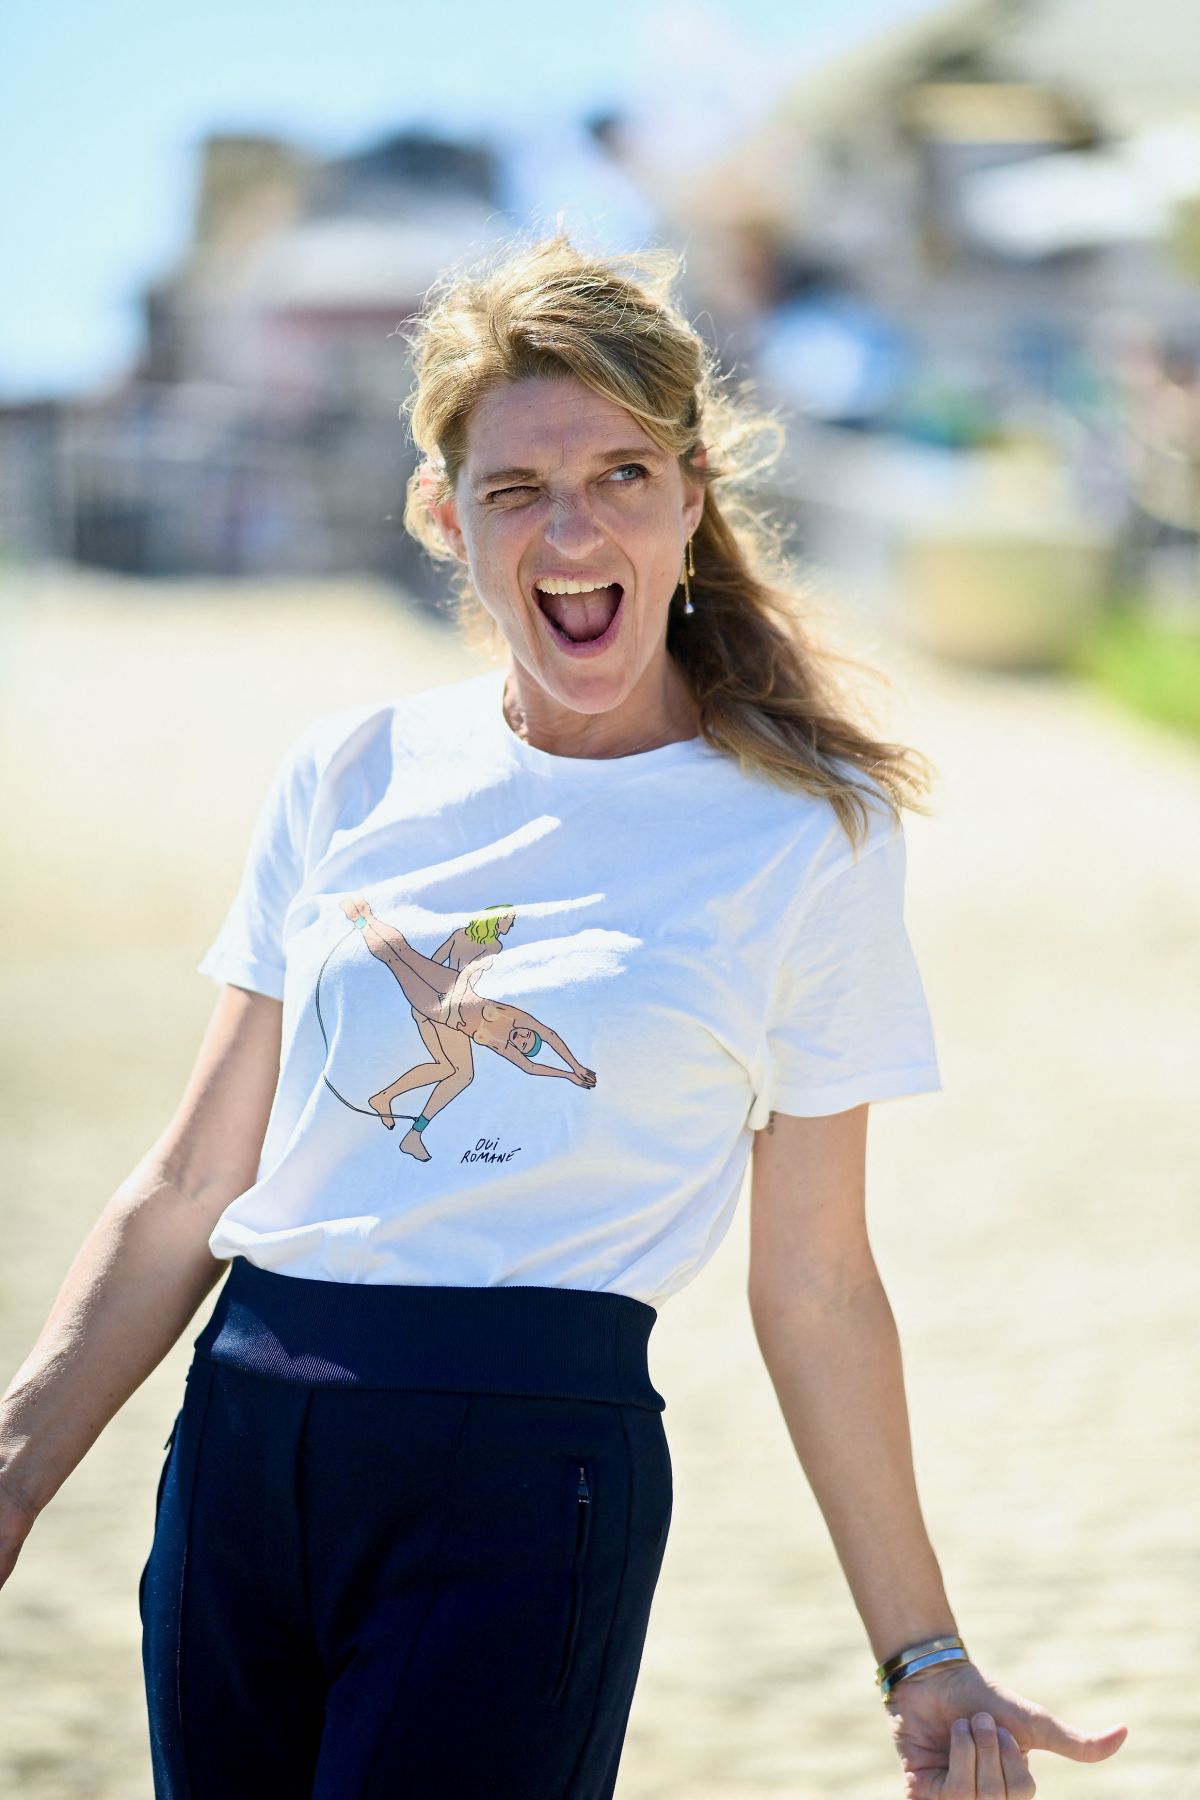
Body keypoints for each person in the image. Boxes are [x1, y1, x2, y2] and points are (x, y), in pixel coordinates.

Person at [0, 234, 1128, 1800]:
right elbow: (194, 1182)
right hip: (244, 1441)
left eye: (618, 473)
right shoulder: (349, 771)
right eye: (517, 488)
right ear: (444, 516)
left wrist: (920, 1653)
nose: (572, 528)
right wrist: (15, 1468)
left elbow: (814, 1281)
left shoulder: (807, 833)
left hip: (530, 1475)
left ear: (690, 498)